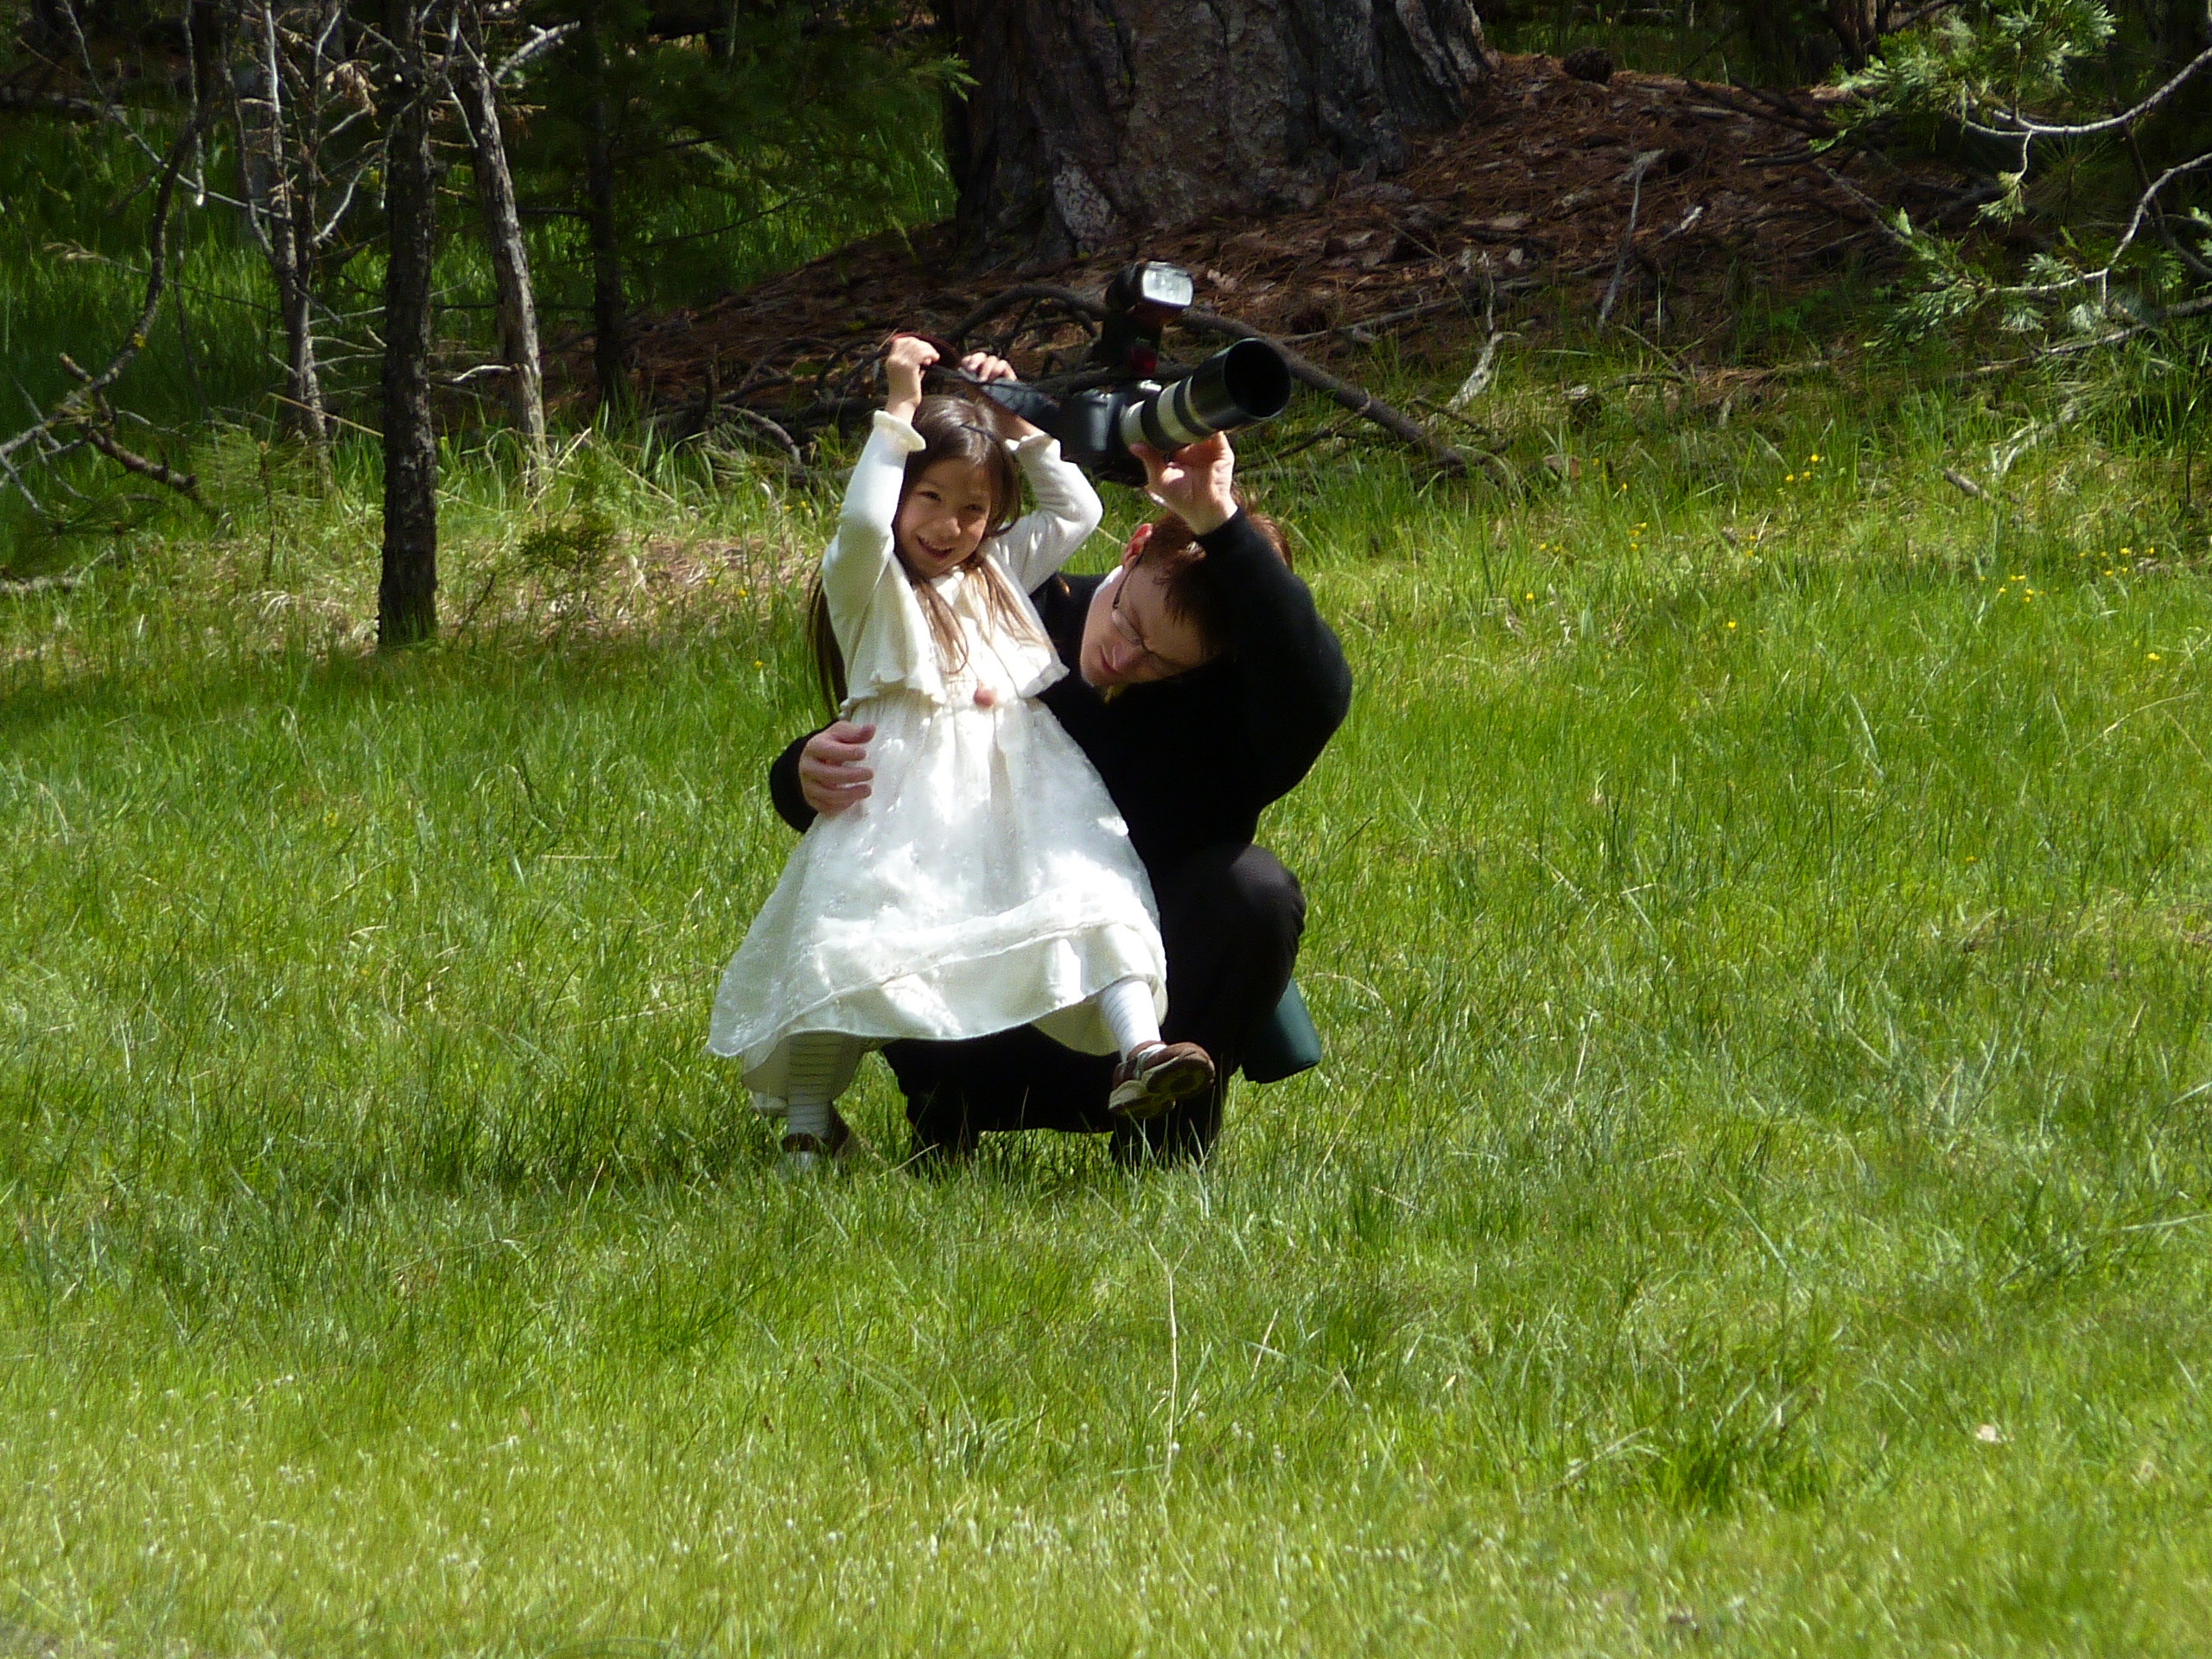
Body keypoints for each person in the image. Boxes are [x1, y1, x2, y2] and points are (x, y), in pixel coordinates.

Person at [768, 411, 1351, 1164]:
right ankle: (944, 1123)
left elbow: (1316, 691)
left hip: (1139, 999)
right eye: (1129, 623)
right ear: (1133, 549)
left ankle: (1163, 1141)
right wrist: (802, 771)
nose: (1125, 658)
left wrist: (1221, 522)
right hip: (974, 1017)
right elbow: (898, 741)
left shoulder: (1227, 714)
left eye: (1160, 661)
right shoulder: (1016, 599)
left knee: (1254, 890)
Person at [709, 337, 1218, 1173]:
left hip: (1024, 791)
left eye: (974, 509)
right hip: (900, 794)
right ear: (901, 489)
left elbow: (1077, 512)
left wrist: (1018, 424)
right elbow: (863, 520)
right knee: (850, 942)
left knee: (1087, 894)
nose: (949, 527)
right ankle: (807, 1126)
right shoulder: (866, 583)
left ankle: (1140, 1052)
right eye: (930, 497)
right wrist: (899, 410)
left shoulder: (998, 569)